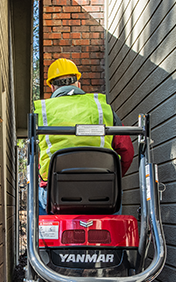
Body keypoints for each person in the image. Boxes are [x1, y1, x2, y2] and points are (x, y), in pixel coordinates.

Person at [33, 58, 134, 214]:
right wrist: (114, 177)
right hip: (103, 192)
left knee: (39, 199)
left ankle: (45, 237)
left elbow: (35, 156)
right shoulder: (101, 107)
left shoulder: (42, 112)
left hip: (56, 194)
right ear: (78, 84)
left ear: (52, 87)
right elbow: (126, 149)